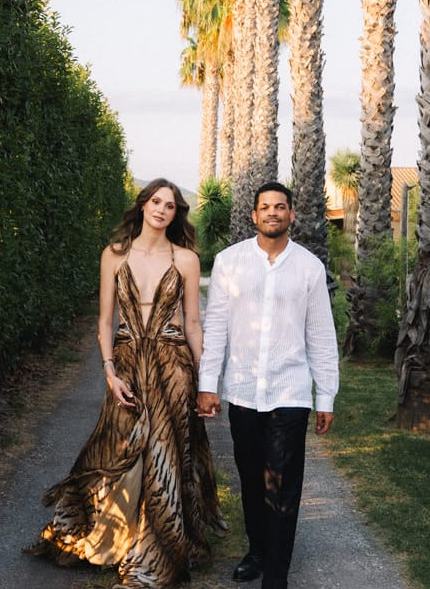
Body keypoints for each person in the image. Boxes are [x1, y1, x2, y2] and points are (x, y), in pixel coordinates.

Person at [25, 178, 224, 588]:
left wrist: (207, 382)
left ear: (176, 214)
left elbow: (191, 324)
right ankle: (112, 540)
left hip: (172, 367)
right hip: (129, 363)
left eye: (170, 205)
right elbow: (104, 321)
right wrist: (110, 372)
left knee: (165, 455)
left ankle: (156, 549)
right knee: (117, 449)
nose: (162, 210)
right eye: (156, 201)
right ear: (143, 204)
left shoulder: (186, 259)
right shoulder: (114, 255)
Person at [197, 181, 339, 589]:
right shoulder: (229, 262)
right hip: (242, 390)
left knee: (281, 485)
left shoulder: (309, 267)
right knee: (250, 479)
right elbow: (218, 327)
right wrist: (209, 384)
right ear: (254, 216)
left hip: (289, 393)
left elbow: (322, 336)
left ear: (291, 214)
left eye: (281, 206)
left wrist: (324, 396)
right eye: (265, 207)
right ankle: (257, 551)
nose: (273, 213)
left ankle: (275, 576)